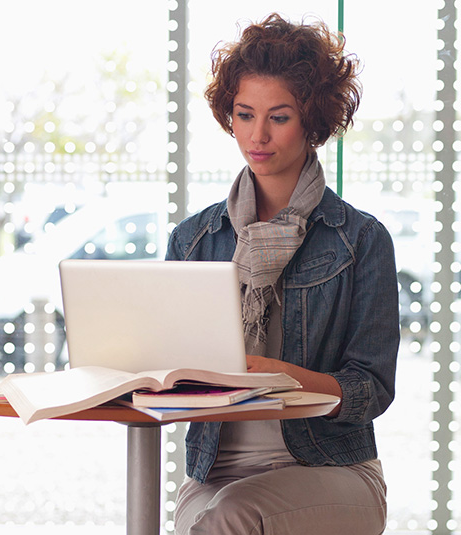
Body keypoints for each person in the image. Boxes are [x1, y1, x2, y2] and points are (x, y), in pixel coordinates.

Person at [165, 13, 399, 535]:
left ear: (312, 121)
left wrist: (274, 376)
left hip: (330, 469)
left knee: (229, 519)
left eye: (280, 117)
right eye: (245, 114)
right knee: (211, 516)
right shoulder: (193, 241)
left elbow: (371, 390)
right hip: (214, 475)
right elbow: (170, 368)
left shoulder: (359, 240)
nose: (258, 134)